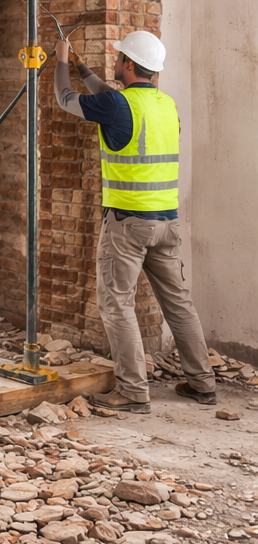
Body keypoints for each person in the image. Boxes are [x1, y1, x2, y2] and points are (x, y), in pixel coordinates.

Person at [54, 29, 217, 413]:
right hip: (167, 224)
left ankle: (132, 391)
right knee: (178, 303)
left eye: (118, 58)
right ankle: (203, 383)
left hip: (127, 224)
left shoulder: (115, 104)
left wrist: (60, 61)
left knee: (117, 304)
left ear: (128, 64)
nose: (114, 62)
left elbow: (66, 99)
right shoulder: (166, 106)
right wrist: (80, 64)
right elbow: (110, 99)